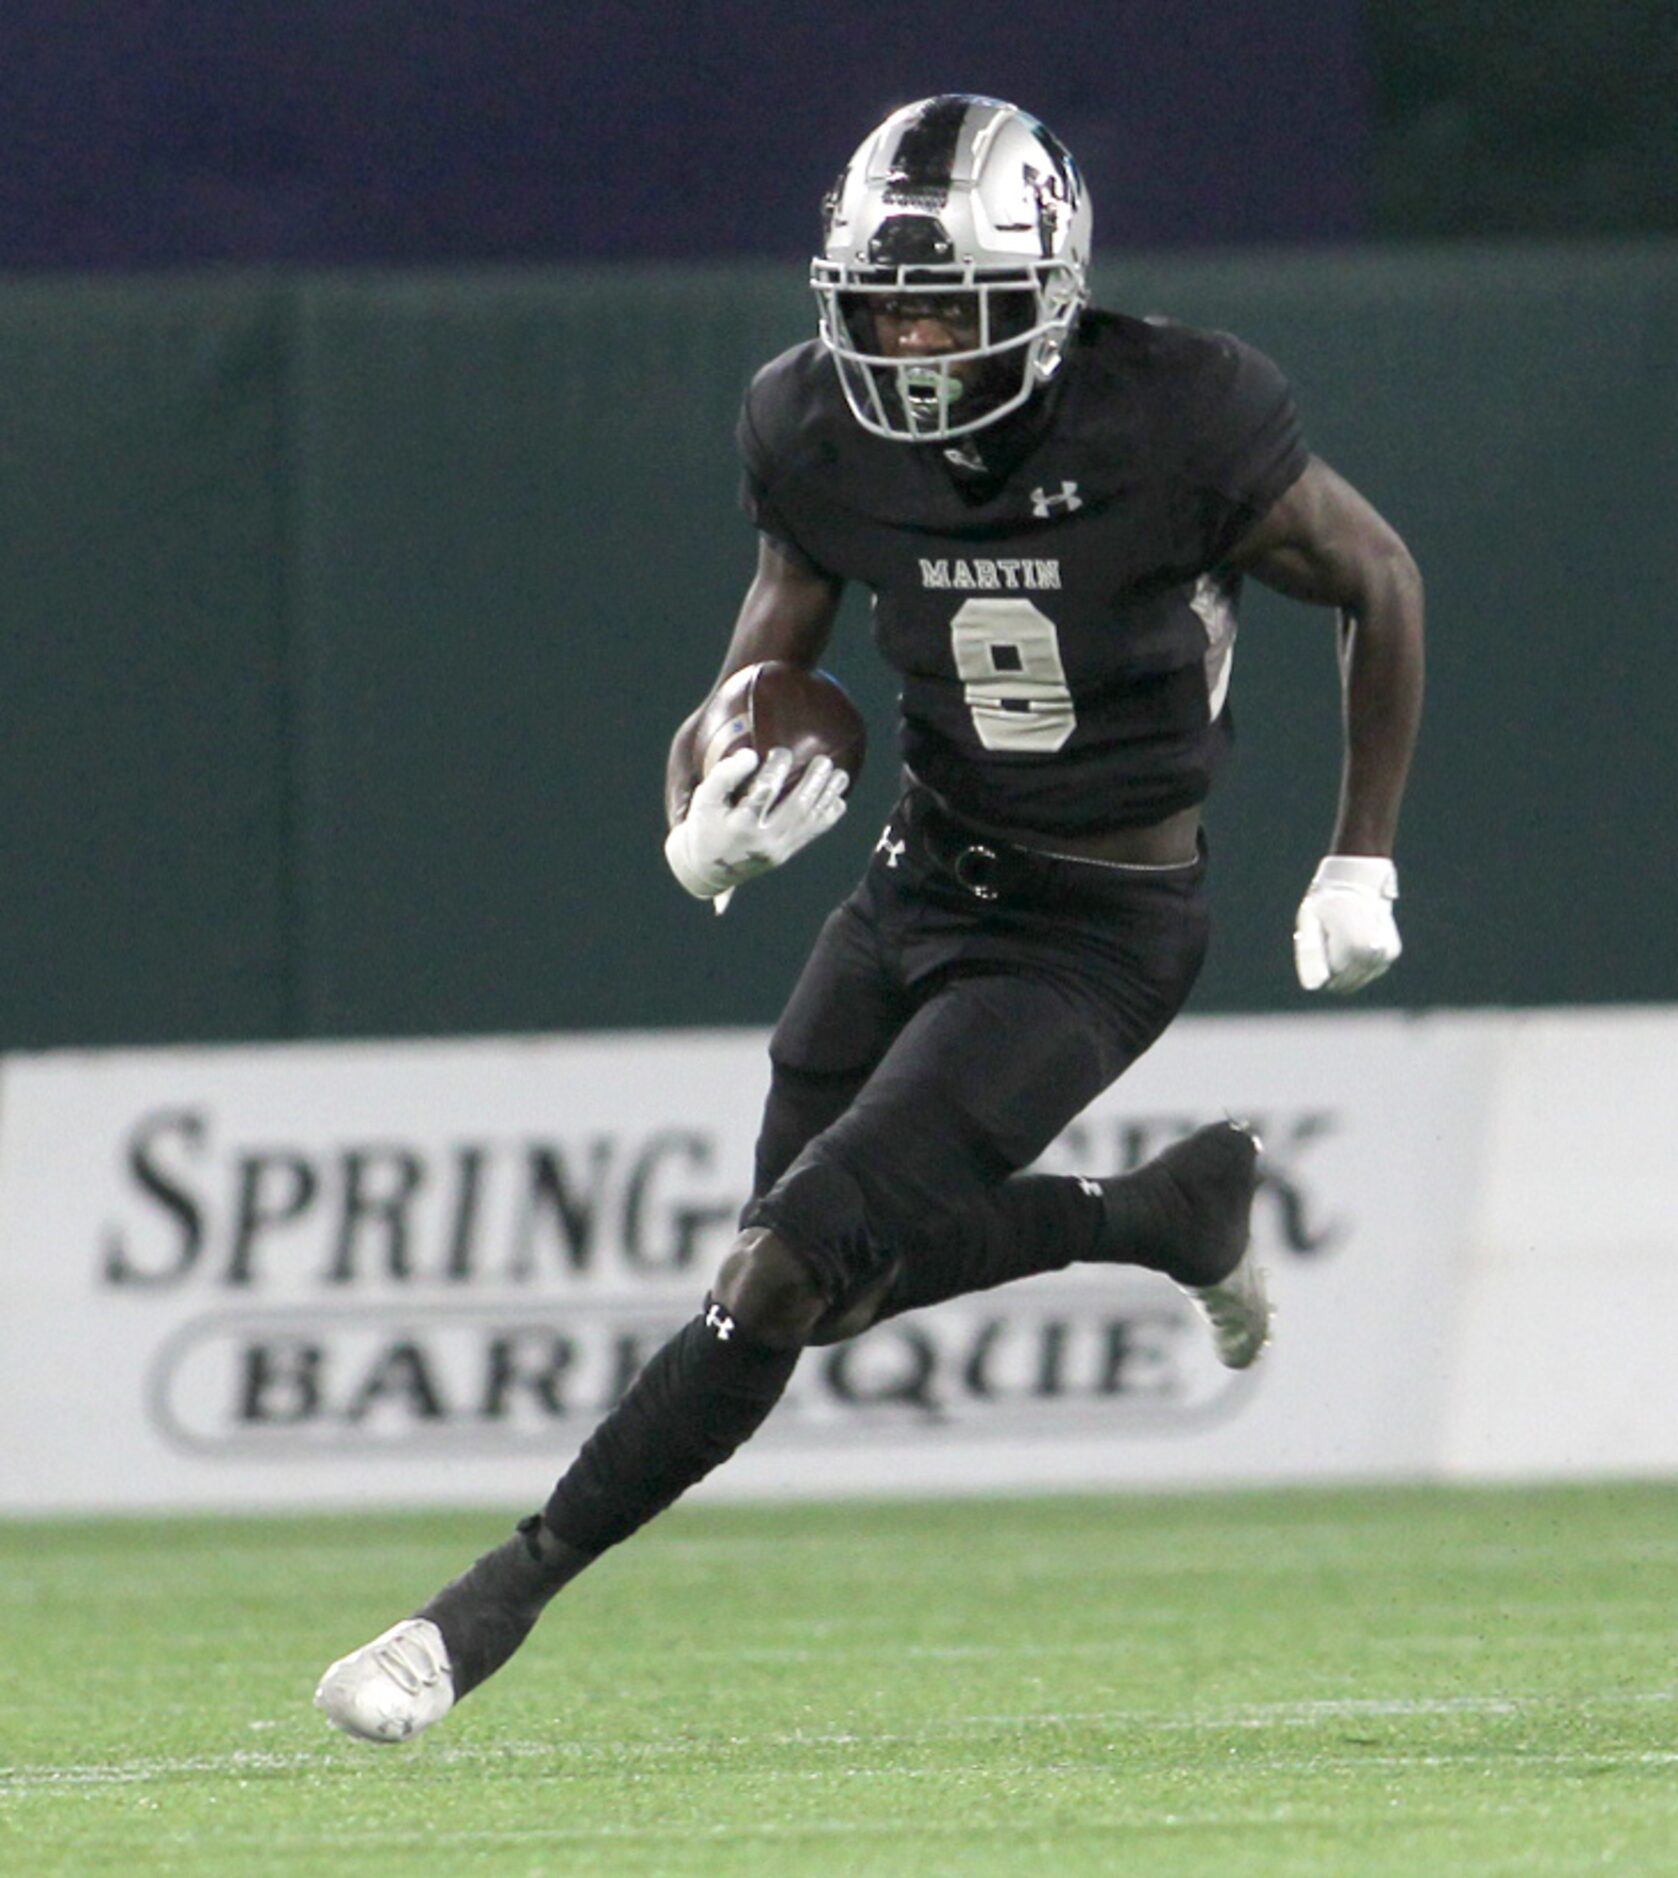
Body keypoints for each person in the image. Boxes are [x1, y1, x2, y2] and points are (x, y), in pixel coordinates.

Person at [316, 94, 1423, 1744]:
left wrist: (1358, 855)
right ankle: (1158, 1220)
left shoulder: (1181, 412)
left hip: (1096, 926)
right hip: (919, 875)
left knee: (775, 1272)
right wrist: (698, 807)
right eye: (881, 306)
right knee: (814, 1285)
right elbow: (758, 664)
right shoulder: (808, 424)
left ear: (1046, 287)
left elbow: (1376, 576)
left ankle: (480, 1608)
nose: (906, 344)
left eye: (945, 306)